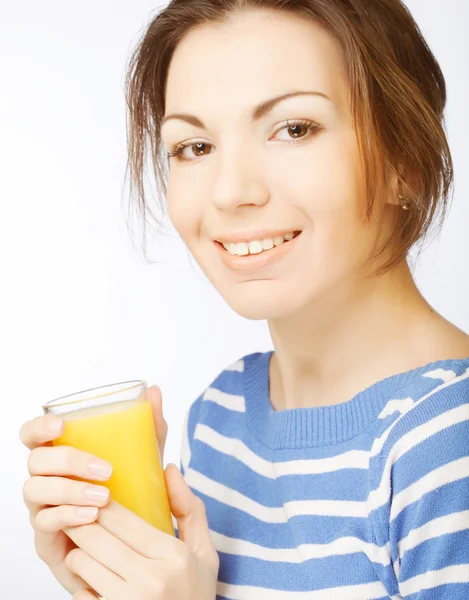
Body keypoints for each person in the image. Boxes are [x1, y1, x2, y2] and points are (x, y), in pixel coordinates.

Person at [20, 0, 469, 598]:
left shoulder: (447, 446)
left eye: (294, 129)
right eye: (194, 147)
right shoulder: (219, 419)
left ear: (405, 160)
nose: (231, 192)